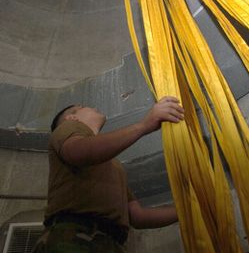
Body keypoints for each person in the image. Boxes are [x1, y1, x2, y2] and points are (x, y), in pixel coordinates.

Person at [33, 96, 184, 253]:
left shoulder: (113, 164)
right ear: (72, 117)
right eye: (83, 106)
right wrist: (144, 125)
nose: (92, 107)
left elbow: (137, 216)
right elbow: (79, 151)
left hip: (111, 243)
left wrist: (186, 210)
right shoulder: (67, 128)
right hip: (72, 237)